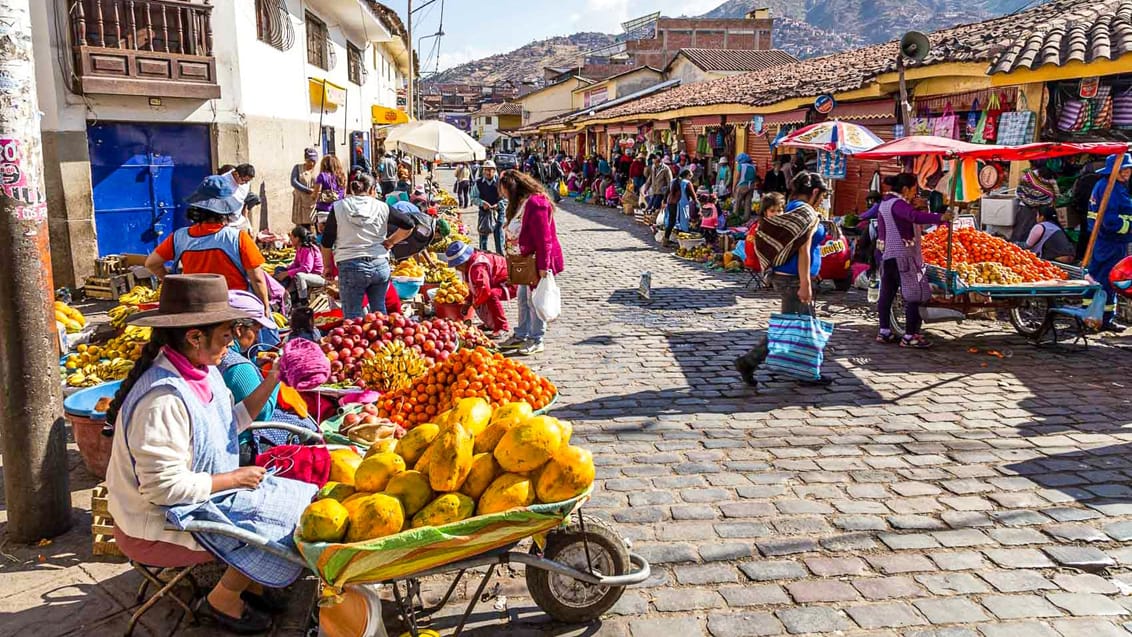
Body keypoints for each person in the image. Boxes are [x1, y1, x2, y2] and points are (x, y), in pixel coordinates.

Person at [104, 274, 316, 635]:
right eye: (225, 334)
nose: (232, 341)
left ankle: (253, 582)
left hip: (201, 497)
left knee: (305, 501)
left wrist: (271, 380)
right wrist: (233, 478)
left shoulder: (204, 371)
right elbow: (163, 490)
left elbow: (226, 424)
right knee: (285, 525)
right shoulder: (163, 399)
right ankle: (223, 599)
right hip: (158, 522)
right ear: (194, 336)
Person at [734, 173, 834, 388]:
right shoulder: (805, 212)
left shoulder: (791, 208)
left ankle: (805, 371)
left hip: (789, 276)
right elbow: (804, 250)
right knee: (792, 327)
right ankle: (750, 362)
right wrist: (806, 283)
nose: (821, 200)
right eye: (822, 195)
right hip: (794, 280)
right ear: (815, 192)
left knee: (799, 326)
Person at [146, 176, 271, 310]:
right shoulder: (238, 237)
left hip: (195, 307)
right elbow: (257, 279)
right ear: (226, 209)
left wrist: (173, 282)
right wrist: (265, 308)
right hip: (233, 308)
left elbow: (151, 263)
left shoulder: (178, 237)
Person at [320, 173, 416, 319]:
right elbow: (408, 224)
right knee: (379, 313)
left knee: (353, 317)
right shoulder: (382, 206)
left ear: (352, 190)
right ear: (372, 189)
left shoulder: (339, 207)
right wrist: (391, 241)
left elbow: (327, 241)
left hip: (350, 266)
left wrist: (327, 266)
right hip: (379, 265)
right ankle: (382, 340)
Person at [874, 173, 953, 348]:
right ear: (905, 189)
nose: (915, 194)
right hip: (904, 257)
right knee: (914, 296)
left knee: (886, 295)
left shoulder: (885, 203)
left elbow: (910, 219)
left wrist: (920, 207)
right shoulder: (898, 204)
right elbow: (914, 218)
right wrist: (940, 217)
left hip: (888, 256)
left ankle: (884, 331)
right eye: (914, 190)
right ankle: (910, 336)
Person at [498, 170, 563, 356]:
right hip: (524, 261)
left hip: (536, 261)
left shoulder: (536, 203)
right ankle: (522, 333)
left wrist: (543, 266)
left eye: (504, 190)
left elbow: (544, 239)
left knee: (533, 301)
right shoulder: (521, 203)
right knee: (522, 298)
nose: (503, 194)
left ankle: (536, 338)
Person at [1085, 152, 1132, 331]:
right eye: (1124, 169)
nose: (1127, 173)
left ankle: (1099, 318)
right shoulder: (1109, 188)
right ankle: (1098, 319)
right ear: (1114, 170)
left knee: (1101, 278)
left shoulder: (1112, 186)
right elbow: (1111, 222)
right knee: (1106, 279)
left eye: (1129, 169)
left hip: (1107, 241)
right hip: (1109, 242)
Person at [444, 241, 516, 336]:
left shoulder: (477, 268)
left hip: (513, 283)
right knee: (481, 296)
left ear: (463, 261)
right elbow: (473, 287)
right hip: (496, 282)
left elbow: (484, 291)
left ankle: (502, 326)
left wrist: (474, 305)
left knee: (491, 295)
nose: (457, 269)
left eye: (457, 266)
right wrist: (468, 301)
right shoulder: (469, 265)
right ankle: (491, 324)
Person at [274, 226, 325, 304]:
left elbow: (306, 268)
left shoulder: (307, 248)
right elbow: (296, 264)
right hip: (306, 274)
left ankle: (303, 301)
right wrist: (286, 270)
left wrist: (287, 273)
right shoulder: (299, 248)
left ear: (297, 238)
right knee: (280, 269)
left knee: (299, 276)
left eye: (292, 238)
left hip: (317, 277)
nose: (290, 240)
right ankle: (281, 292)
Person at [1012, 162, 1060, 243]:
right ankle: (1015, 247)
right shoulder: (1030, 176)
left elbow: (1055, 193)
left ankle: (1024, 248)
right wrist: (1035, 200)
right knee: (1022, 229)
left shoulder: (1048, 178)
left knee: (1029, 230)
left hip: (1034, 208)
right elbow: (1021, 189)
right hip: (1028, 207)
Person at [476, 160, 505, 253]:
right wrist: (482, 203)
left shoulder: (500, 183)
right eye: (485, 170)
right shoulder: (479, 183)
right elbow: (473, 197)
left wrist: (499, 204)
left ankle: (500, 255)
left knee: (498, 233)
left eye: (490, 170)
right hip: (484, 212)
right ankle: (483, 256)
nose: (487, 172)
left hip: (498, 212)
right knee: (483, 235)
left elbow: (507, 198)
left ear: (494, 170)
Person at [663, 169, 697, 246]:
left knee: (671, 222)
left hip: (670, 203)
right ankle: (684, 243)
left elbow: (667, 192)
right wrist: (697, 204)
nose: (690, 178)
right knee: (683, 222)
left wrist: (664, 201)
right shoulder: (687, 183)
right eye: (690, 176)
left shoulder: (673, 181)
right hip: (680, 205)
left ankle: (666, 239)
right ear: (687, 176)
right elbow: (693, 196)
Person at [310, 155, 346, 226]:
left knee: (322, 234)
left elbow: (316, 193)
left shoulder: (322, 176)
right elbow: (344, 195)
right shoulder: (342, 176)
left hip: (324, 210)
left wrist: (312, 196)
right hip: (338, 210)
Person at [291, 148, 319, 228]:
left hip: (312, 202)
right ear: (305, 160)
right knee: (301, 224)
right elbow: (293, 182)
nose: (312, 163)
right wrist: (307, 190)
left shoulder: (317, 170)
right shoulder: (298, 168)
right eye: (310, 161)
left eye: (314, 161)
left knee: (313, 224)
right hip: (300, 200)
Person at [734, 153, 758, 221]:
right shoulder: (753, 166)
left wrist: (734, 187)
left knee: (737, 203)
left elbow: (737, 177)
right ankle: (746, 219)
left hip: (742, 185)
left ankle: (735, 218)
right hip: (751, 186)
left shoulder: (740, 166)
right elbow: (754, 177)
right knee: (748, 203)